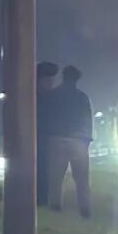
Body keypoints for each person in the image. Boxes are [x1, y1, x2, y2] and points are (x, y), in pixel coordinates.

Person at [47, 65, 93, 217]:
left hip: (57, 138)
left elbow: (48, 116)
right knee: (82, 178)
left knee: (56, 177)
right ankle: (84, 208)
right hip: (78, 139)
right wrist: (87, 138)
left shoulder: (53, 95)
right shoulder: (82, 97)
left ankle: (55, 205)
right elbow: (87, 119)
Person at [36, 61, 60, 204]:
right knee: (40, 167)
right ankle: (41, 196)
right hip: (38, 139)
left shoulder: (51, 97)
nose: (51, 83)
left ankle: (44, 196)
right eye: (48, 80)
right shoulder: (34, 98)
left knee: (48, 169)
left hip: (49, 139)